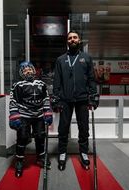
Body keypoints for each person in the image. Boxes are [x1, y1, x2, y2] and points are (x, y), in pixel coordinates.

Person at [52, 30, 99, 171]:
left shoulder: (86, 58)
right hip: (65, 100)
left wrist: (93, 97)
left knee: (83, 128)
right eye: (70, 38)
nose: (72, 39)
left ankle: (84, 153)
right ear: (67, 41)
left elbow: (91, 79)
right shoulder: (60, 60)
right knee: (63, 128)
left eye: (75, 37)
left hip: (83, 99)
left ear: (79, 40)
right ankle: (62, 153)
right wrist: (55, 98)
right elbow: (57, 81)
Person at [9, 61, 53, 178]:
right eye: (24, 70)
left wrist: (47, 113)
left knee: (40, 136)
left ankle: (41, 157)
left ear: (34, 70)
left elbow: (45, 100)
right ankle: (19, 160)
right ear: (21, 73)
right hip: (24, 116)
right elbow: (14, 102)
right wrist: (14, 116)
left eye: (29, 69)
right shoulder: (17, 85)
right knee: (22, 137)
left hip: (38, 116)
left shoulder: (41, 84)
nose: (27, 71)